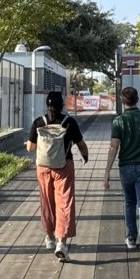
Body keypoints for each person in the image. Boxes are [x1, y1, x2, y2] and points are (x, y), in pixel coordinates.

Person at [27, 90, 88, 260]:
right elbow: (81, 145)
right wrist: (86, 157)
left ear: (47, 105)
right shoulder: (69, 122)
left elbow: (30, 148)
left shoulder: (39, 122)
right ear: (62, 105)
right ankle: (62, 242)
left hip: (43, 167)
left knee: (46, 201)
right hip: (64, 166)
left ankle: (49, 237)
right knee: (65, 202)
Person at [104, 86, 140, 259]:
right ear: (136, 100)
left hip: (126, 168)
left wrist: (106, 171)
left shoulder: (119, 121)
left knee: (129, 203)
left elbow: (114, 146)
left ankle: (130, 239)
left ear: (123, 101)